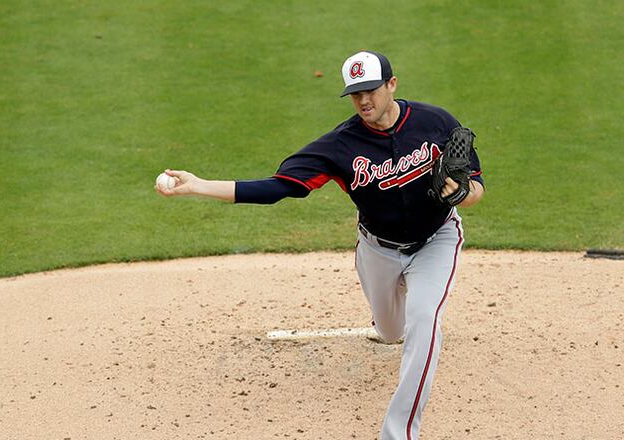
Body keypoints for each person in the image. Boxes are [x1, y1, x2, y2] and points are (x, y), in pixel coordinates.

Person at [156, 50, 484, 440]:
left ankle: (398, 433)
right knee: (393, 332)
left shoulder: (436, 122)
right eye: (356, 94)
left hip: (437, 240)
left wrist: (462, 195)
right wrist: (199, 186)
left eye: (372, 90)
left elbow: (476, 188)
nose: (364, 101)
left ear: (392, 85)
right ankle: (386, 320)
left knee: (424, 320)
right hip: (378, 249)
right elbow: (277, 188)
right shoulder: (340, 146)